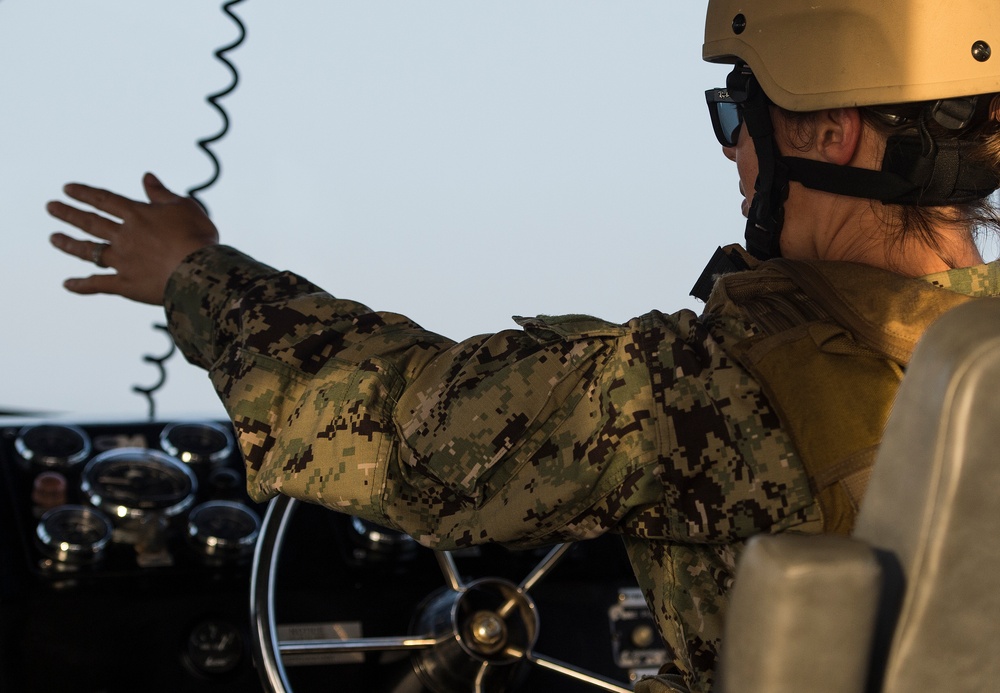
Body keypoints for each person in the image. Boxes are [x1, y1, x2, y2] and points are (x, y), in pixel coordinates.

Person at [44, 1, 1000, 691]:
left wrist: (191, 273)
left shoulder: (710, 391)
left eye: (735, 117)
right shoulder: (977, 369)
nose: (730, 153)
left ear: (830, 134)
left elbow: (408, 434)